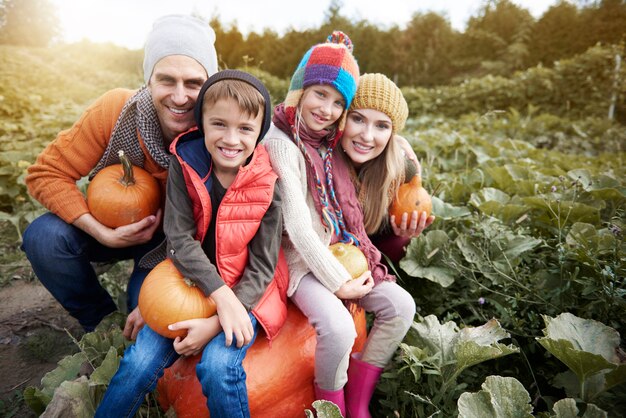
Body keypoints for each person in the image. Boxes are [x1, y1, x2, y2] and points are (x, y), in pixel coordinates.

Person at [95, 69, 287, 418]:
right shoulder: (184, 167)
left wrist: (219, 319)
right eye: (219, 124)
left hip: (248, 291)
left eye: (245, 128)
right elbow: (179, 240)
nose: (231, 139)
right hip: (191, 283)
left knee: (217, 367)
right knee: (138, 363)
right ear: (201, 124)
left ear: (260, 132)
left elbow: (264, 266)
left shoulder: (269, 184)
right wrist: (215, 294)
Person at [20, 14, 218, 336]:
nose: (180, 96)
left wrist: (156, 299)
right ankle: (99, 323)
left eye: (194, 83)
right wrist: (101, 232)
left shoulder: (219, 133)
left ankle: (136, 308)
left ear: (209, 86)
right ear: (149, 80)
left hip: (176, 245)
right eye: (167, 80)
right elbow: (46, 173)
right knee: (45, 238)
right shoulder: (116, 111)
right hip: (112, 224)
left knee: (153, 319)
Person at [263, 32, 415, 418]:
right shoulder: (282, 141)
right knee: (339, 327)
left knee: (401, 306)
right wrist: (338, 282)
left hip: (340, 251)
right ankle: (330, 407)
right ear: (299, 90)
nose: (327, 109)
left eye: (338, 102)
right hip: (301, 264)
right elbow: (296, 223)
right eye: (319, 94)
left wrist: (412, 166)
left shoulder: (328, 139)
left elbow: (390, 145)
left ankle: (359, 401)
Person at [340, 73, 435, 264]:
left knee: (398, 242)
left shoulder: (402, 168)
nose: (367, 136)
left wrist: (402, 228)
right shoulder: (323, 158)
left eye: (381, 126)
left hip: (371, 242)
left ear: (392, 133)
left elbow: (409, 204)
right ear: (342, 118)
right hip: (332, 247)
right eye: (358, 119)